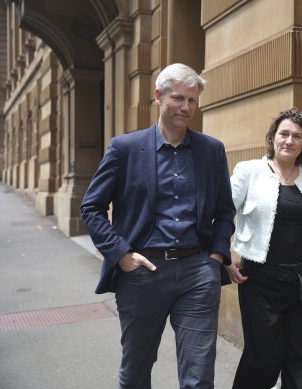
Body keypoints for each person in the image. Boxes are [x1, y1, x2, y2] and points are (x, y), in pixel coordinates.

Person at [80, 63, 241, 389]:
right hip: (143, 273)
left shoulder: (211, 150)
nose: (186, 107)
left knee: (198, 378)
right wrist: (122, 255)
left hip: (198, 271)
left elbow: (225, 210)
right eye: (179, 98)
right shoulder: (125, 149)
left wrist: (217, 257)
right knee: (136, 371)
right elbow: (91, 207)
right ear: (158, 96)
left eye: (192, 101)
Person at [229, 107, 302, 389]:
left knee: (301, 359)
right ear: (273, 137)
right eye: (284, 134)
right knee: (262, 359)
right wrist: (226, 259)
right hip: (259, 281)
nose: (289, 140)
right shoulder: (249, 171)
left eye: (297, 136)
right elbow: (221, 214)